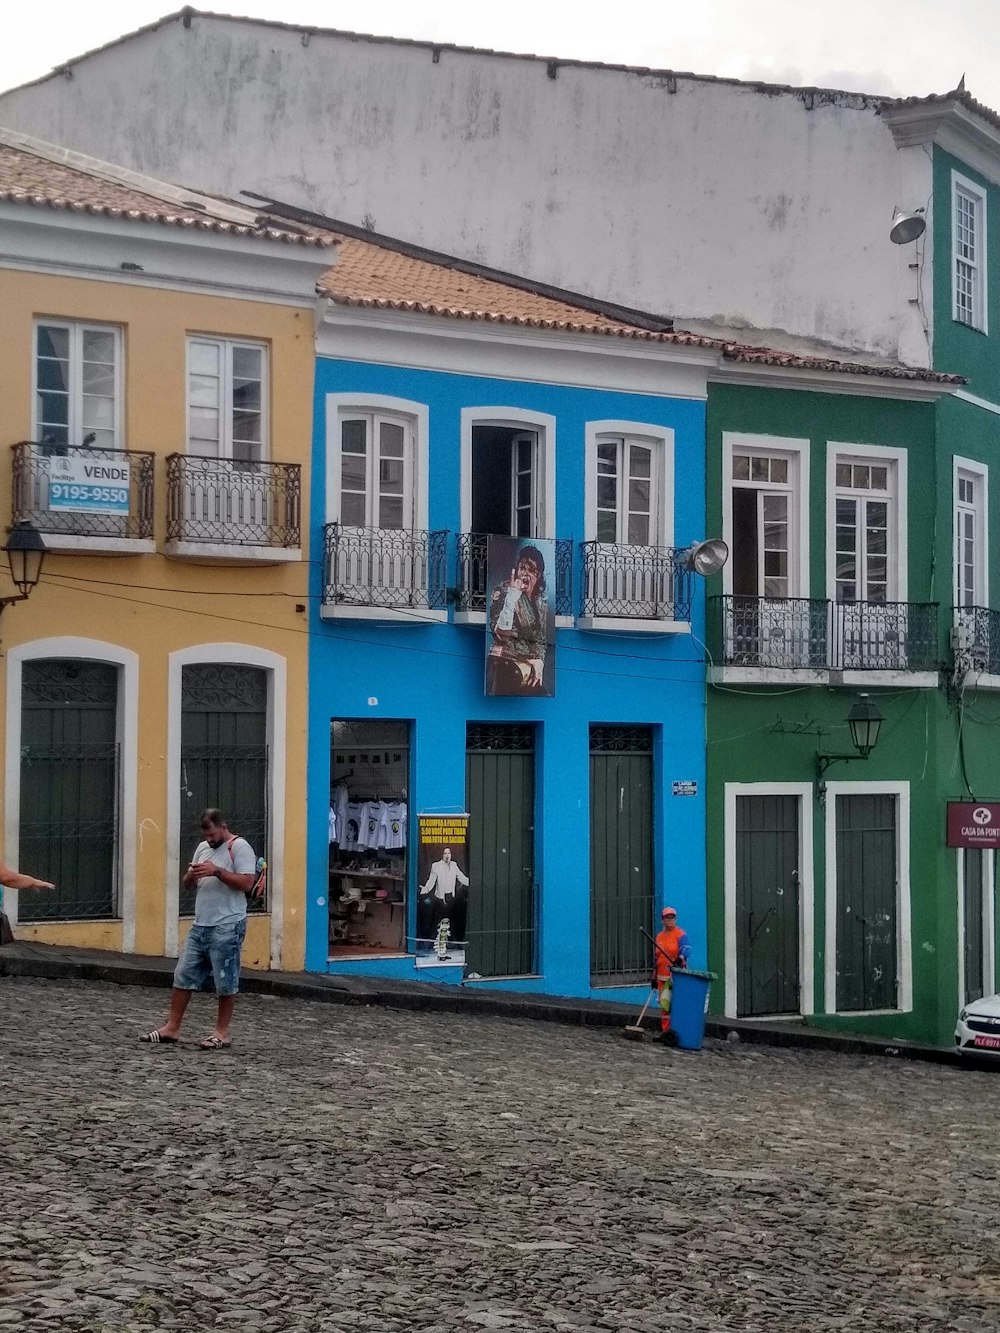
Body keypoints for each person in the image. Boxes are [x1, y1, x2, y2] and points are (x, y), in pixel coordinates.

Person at [140, 808, 257, 1050]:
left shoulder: (240, 847)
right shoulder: (204, 848)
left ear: (223, 827)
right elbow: (188, 884)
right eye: (206, 835)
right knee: (182, 975)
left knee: (225, 980)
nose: (209, 840)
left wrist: (218, 871)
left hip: (228, 924)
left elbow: (247, 883)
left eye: (213, 834)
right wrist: (191, 876)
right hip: (201, 924)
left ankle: (222, 1033)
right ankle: (172, 1028)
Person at [487, 546, 549, 696]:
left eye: (532, 570)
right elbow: (501, 635)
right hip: (506, 665)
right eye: (523, 568)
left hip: (529, 670)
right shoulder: (502, 591)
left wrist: (539, 661)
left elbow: (541, 640)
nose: (526, 574)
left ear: (538, 575)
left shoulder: (541, 603)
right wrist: (512, 597)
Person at [418, 846, 470, 956]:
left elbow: (462, 878)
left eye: (449, 853)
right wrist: (425, 889)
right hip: (440, 899)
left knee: (453, 922)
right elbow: (431, 881)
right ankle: (431, 946)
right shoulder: (436, 866)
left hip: (451, 897)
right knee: (438, 923)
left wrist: (473, 882)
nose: (447, 855)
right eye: (445, 853)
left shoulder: (454, 865)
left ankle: (454, 945)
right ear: (442, 855)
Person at [651, 906, 691, 1040]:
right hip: (662, 977)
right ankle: (666, 1033)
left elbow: (687, 949)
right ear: (662, 920)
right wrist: (654, 978)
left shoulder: (680, 934)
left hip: (676, 977)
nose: (670, 920)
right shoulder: (659, 937)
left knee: (677, 1004)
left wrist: (680, 959)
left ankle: (678, 1032)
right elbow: (657, 958)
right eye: (667, 917)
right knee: (665, 1006)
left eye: (672, 917)